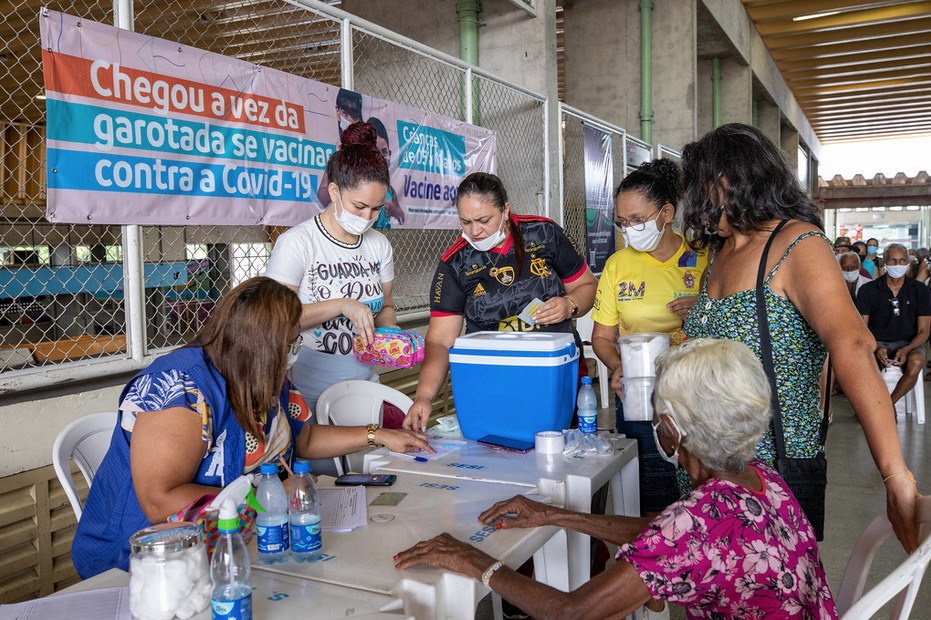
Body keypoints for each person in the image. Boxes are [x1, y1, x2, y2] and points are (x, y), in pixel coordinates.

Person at [395, 339, 838, 619]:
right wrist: (554, 515)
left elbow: (573, 612)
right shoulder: (759, 478)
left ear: (672, 429)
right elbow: (662, 533)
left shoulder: (698, 520)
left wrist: (473, 561)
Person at [73, 277, 429, 578]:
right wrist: (266, 499)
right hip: (148, 563)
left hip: (234, 544)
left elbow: (303, 438)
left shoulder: (262, 376)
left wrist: (378, 435)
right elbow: (159, 500)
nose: (293, 351)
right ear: (260, 345)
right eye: (289, 342)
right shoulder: (179, 388)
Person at [679, 123, 919, 551]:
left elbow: (852, 345)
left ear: (733, 180)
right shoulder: (720, 253)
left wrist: (894, 473)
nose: (696, 204)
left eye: (702, 188)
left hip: (769, 471)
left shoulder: (798, 243)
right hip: (704, 466)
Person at [402, 172, 598, 432]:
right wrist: (424, 397)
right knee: (500, 443)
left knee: (560, 442)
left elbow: (587, 286)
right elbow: (440, 340)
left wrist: (569, 305)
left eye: (484, 220)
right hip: (492, 375)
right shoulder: (455, 263)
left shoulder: (543, 232)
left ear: (505, 210)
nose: (475, 231)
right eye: (465, 222)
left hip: (553, 369)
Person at [590, 158, 706, 514]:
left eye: (637, 220)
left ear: (666, 213)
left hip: (696, 395)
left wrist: (704, 309)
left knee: (700, 494)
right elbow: (601, 338)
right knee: (650, 498)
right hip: (639, 395)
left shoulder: (704, 258)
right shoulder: (618, 265)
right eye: (622, 222)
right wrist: (617, 366)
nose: (629, 230)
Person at [265, 121, 397, 414]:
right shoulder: (298, 243)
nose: (368, 217)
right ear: (335, 191)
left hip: (366, 384)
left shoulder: (379, 246)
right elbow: (274, 319)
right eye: (359, 206)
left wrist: (392, 335)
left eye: (376, 208)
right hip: (307, 391)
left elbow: (386, 306)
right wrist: (341, 305)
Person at [856, 243, 931, 406]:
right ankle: (870, 406)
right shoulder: (868, 290)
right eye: (893, 261)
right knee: (862, 362)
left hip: (909, 343)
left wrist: (906, 349)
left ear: (908, 263)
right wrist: (876, 347)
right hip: (876, 342)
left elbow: (924, 331)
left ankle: (888, 405)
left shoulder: (920, 291)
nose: (898, 265)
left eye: (902, 260)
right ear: (884, 262)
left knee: (916, 362)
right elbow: (862, 328)